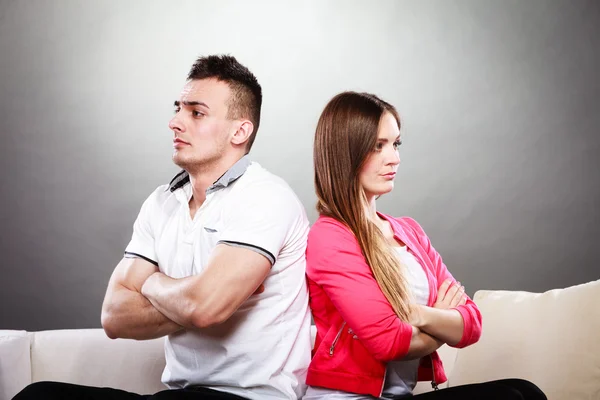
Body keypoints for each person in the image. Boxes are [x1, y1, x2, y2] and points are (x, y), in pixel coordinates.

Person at [14, 55, 312, 400]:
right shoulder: (161, 201)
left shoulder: (265, 196)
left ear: (240, 131)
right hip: (180, 393)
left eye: (196, 113)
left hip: (250, 399)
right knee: (38, 396)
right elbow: (114, 315)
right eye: (178, 109)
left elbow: (205, 307)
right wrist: (201, 299)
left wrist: (152, 283)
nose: (175, 122)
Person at [302, 91, 546, 400]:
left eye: (396, 143)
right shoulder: (330, 236)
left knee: (525, 391)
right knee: (510, 398)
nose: (395, 158)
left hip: (398, 397)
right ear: (345, 153)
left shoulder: (409, 231)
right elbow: (388, 341)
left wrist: (418, 315)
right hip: (347, 397)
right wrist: (441, 318)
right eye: (379, 146)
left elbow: (471, 324)